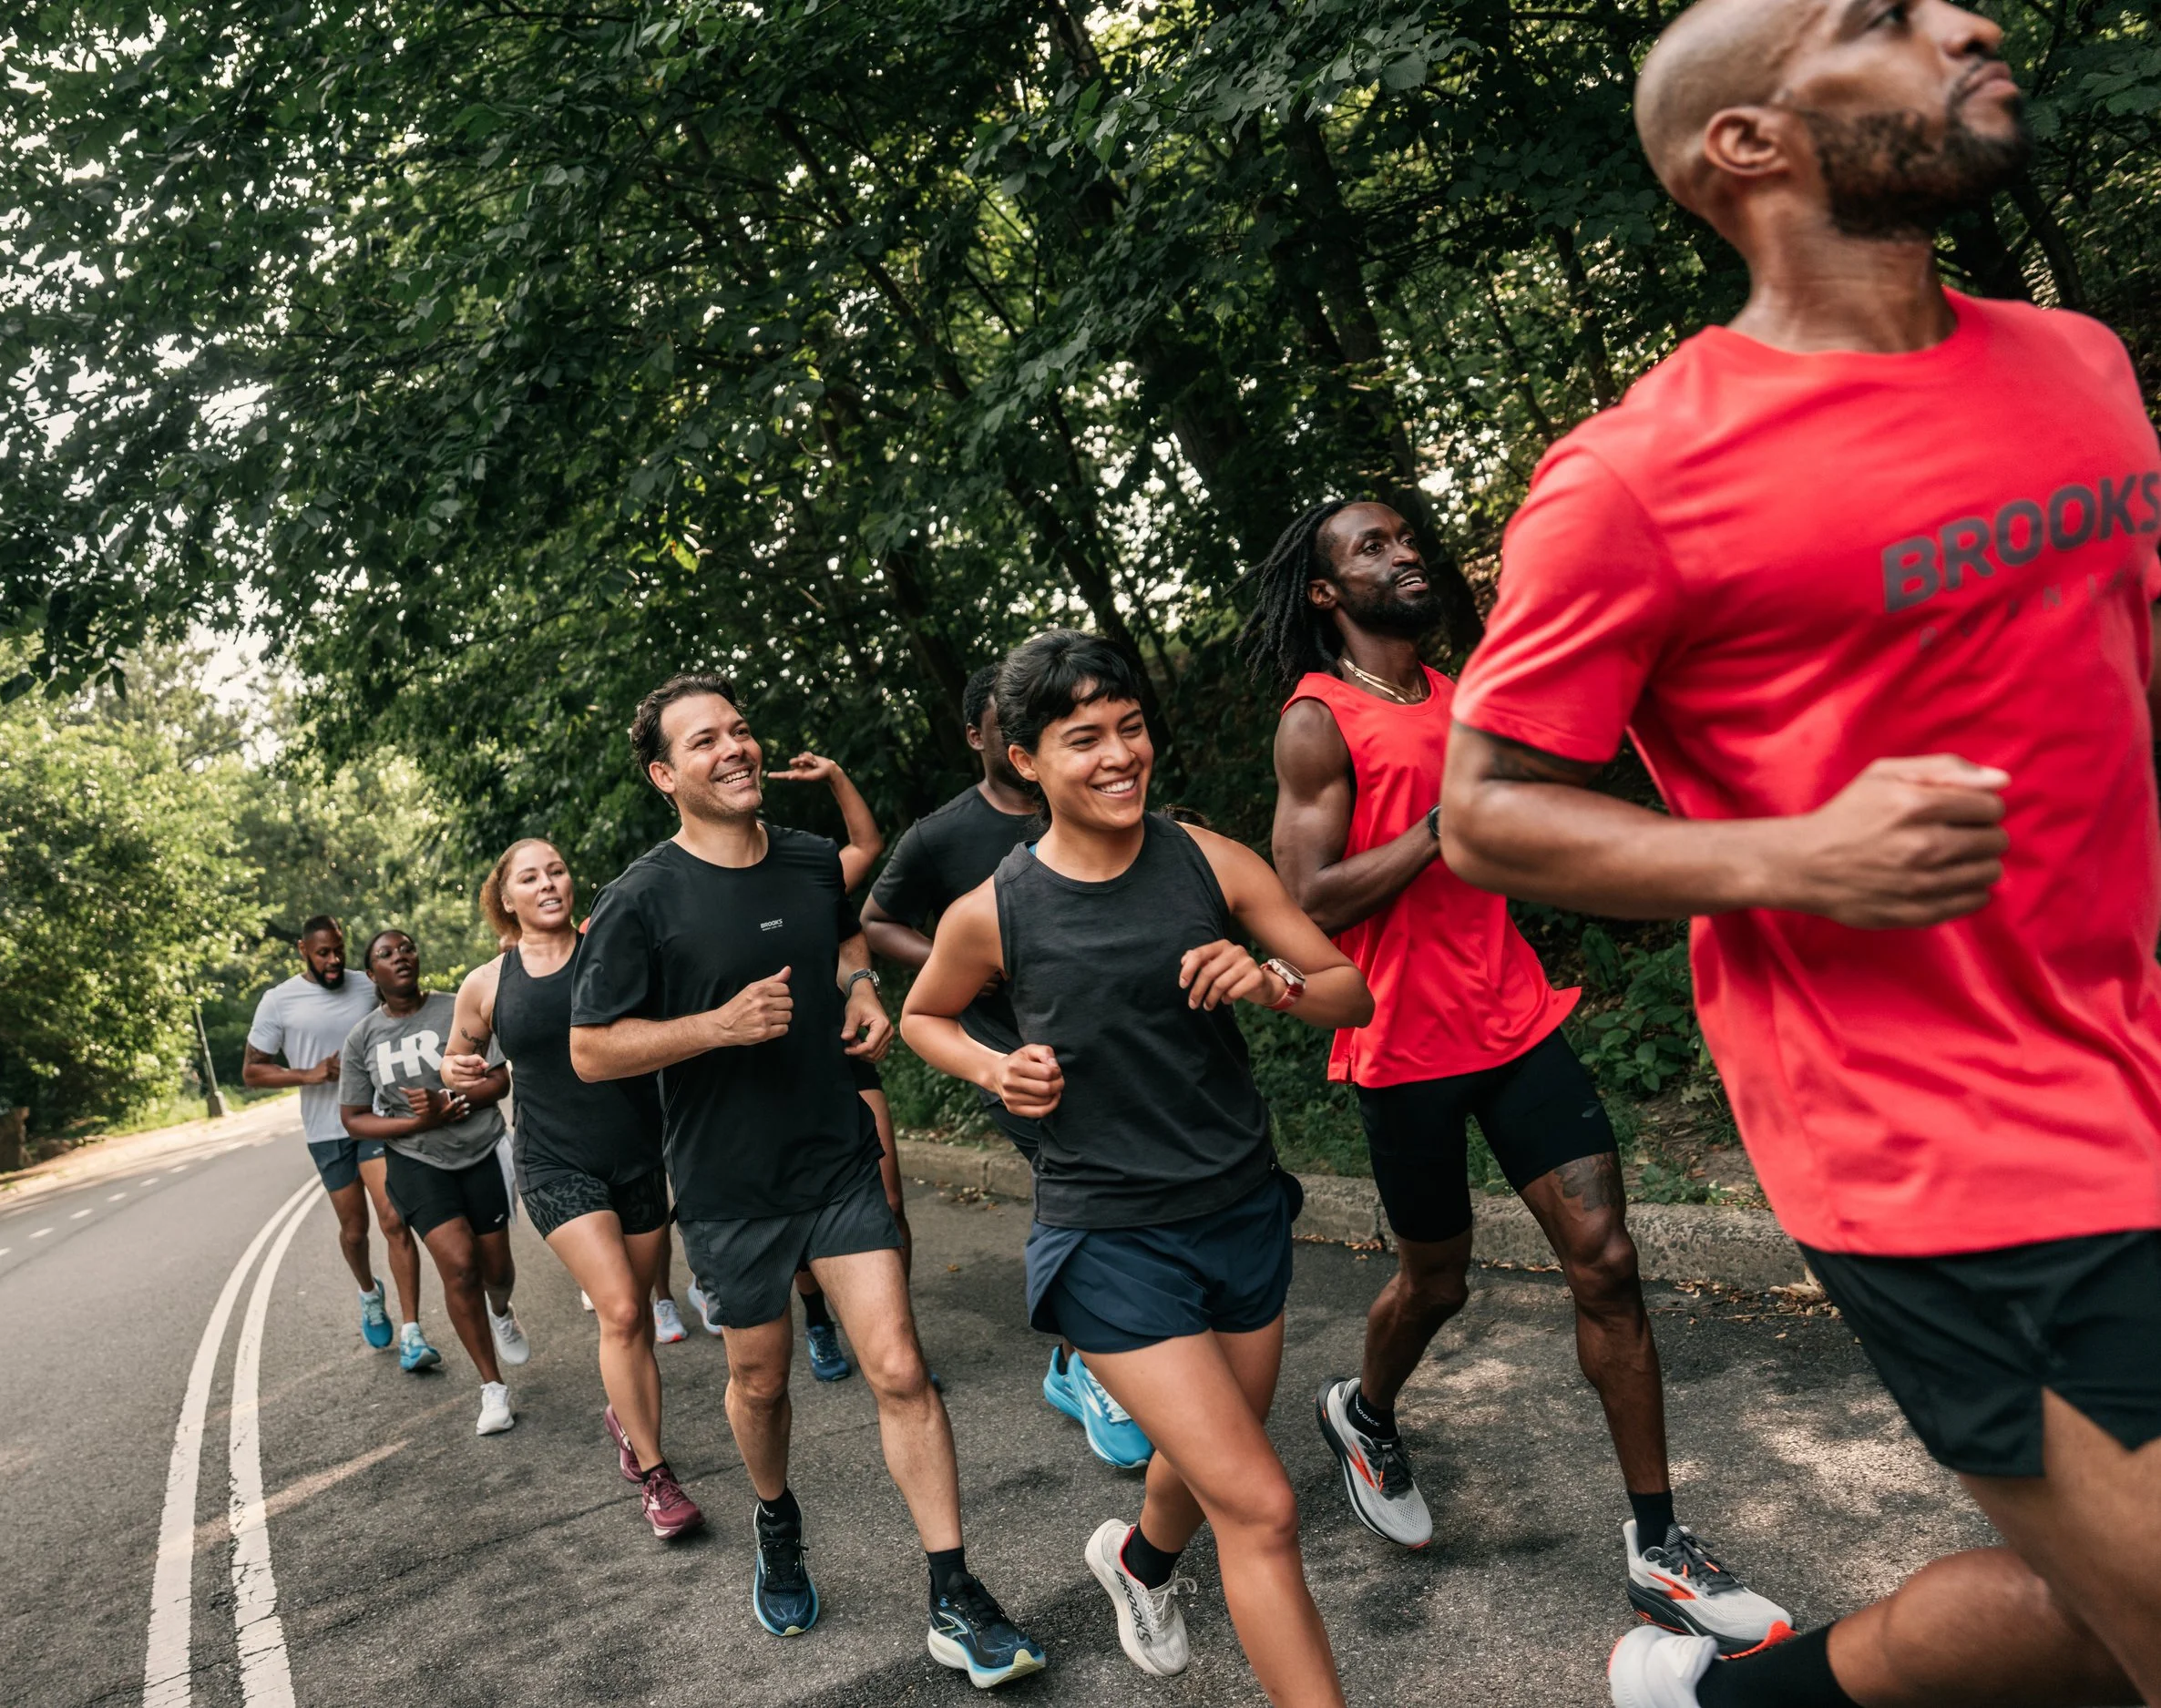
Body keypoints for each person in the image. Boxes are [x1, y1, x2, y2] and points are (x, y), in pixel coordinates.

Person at [1436, 4, 2161, 1705]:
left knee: (2092, 1620)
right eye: (1882, 22)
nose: (1965, 22)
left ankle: (1724, 1699)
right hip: (1940, 1138)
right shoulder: (1635, 479)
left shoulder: (2079, 362)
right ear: (1746, 147)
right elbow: (1487, 810)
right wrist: (1796, 856)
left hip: (2136, 1044)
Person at [1248, 499, 1788, 1651]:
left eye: (1403, 538)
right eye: (1370, 550)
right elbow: (1305, 902)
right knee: (1435, 1282)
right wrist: (1445, 827)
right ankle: (1365, 1410)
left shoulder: (1462, 694)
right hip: (1402, 1046)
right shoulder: (1317, 721)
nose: (1402, 555)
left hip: (1514, 1019)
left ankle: (1658, 1546)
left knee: (1607, 1262)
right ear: (1327, 595)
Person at [902, 630, 1372, 1703]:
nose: (1119, 755)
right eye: (1083, 740)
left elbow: (1349, 991)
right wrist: (992, 1068)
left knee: (1215, 1462)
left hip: (1240, 1208)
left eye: (1130, 729)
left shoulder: (1210, 861)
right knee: (1259, 1505)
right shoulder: (995, 911)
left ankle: (1138, 1561)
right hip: (1109, 1237)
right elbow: (921, 1017)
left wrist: (1270, 985)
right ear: (1025, 759)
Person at [568, 672, 1046, 1687]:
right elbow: (590, 1051)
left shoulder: (805, 860)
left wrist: (864, 987)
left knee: (901, 1368)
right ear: (665, 774)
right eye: (704, 742)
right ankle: (777, 1522)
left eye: (739, 730)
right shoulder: (638, 899)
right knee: (760, 1382)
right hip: (728, 1186)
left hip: (832, 1158)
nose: (734, 749)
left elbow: (838, 939)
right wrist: (712, 1027)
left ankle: (954, 1591)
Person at [863, 668, 1151, 1469]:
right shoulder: (940, 837)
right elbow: (877, 919)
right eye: (1006, 723)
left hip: (1122, 1046)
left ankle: (1109, 1353)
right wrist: (959, 961)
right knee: (1080, 1203)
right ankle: (1092, 1362)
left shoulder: (1098, 800)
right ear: (988, 741)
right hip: (1018, 1059)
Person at [445, 840, 703, 1538]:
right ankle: (656, 1477)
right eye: (529, 876)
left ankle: (626, 1417)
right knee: (620, 1309)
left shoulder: (612, 950)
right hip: (554, 1163)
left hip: (639, 1154)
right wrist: (457, 1074)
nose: (547, 882)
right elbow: (458, 1052)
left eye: (555, 870)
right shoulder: (487, 982)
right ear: (507, 897)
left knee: (641, 1321)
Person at [340, 929, 532, 1436]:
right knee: (460, 1266)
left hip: (480, 1149)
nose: (399, 957)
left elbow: (499, 1080)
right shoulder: (363, 1037)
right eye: (385, 953)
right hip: (415, 1159)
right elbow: (354, 1118)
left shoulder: (457, 1006)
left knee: (496, 1267)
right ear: (372, 973)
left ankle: (502, 1310)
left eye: (406, 948)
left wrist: (454, 1105)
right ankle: (493, 1389)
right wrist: (414, 1125)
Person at [766, 751, 896, 1386]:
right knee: (798, 1213)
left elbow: (866, 843)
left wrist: (838, 776)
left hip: (840, 1051)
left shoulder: (810, 874)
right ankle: (818, 1315)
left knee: (889, 1197)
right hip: (770, 1073)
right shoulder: (704, 895)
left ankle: (895, 1346)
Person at [243, 915, 421, 1359]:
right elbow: (252, 1070)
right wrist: (312, 1073)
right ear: (303, 950)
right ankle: (368, 1292)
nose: (333, 960)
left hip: (374, 1119)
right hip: (326, 1131)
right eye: (323, 952)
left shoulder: (367, 985)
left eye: (338, 950)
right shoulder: (279, 1000)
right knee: (355, 1231)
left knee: (394, 1219)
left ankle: (414, 1331)